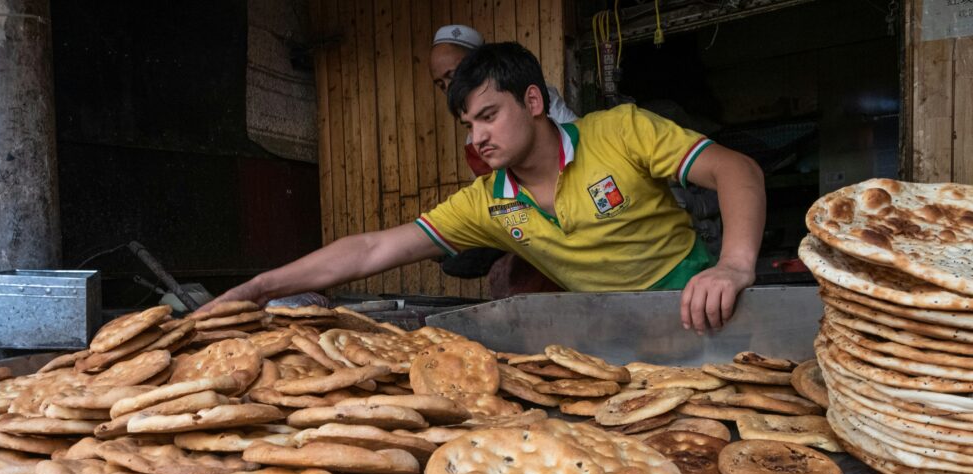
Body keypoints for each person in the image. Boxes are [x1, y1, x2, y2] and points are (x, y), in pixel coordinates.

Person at [206, 42, 765, 332]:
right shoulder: (490, 201)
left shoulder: (621, 132)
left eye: (490, 116)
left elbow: (737, 170)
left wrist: (734, 266)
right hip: (603, 332)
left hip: (699, 307)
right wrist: (261, 285)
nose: (478, 138)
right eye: (469, 125)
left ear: (533, 101)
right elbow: (373, 248)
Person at [430, 24, 575, 294]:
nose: (450, 87)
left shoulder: (541, 105)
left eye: (454, 74)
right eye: (441, 83)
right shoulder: (473, 141)